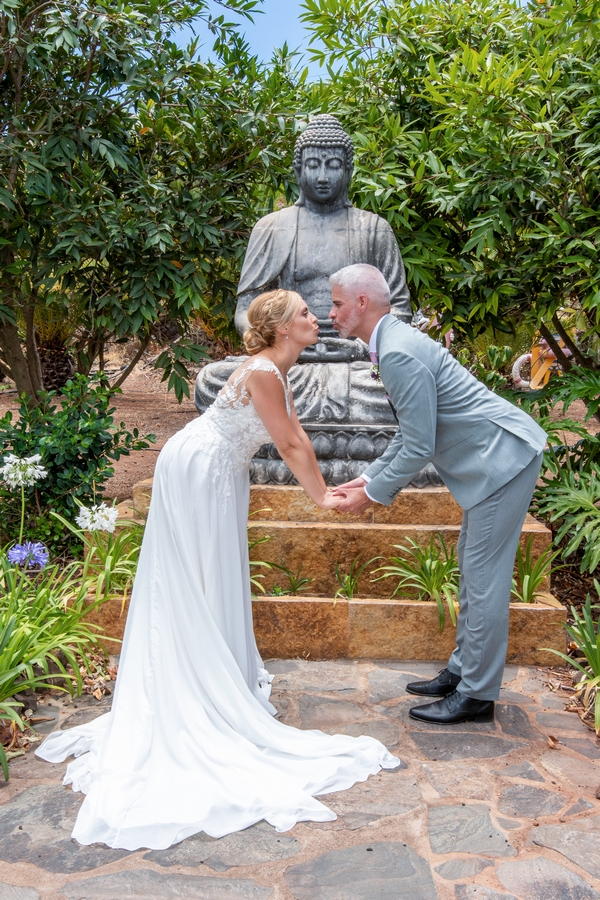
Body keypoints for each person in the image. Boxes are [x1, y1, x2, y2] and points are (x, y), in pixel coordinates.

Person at [36, 289, 399, 851]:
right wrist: (323, 497)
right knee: (195, 575)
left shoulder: (274, 369)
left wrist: (323, 488)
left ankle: (212, 674)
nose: (315, 318)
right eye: (305, 312)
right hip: (201, 467)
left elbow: (293, 435)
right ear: (281, 328)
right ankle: (195, 685)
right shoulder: (263, 372)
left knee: (205, 573)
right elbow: (292, 441)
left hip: (218, 468)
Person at [330, 264, 547, 726]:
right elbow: (410, 433)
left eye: (336, 303)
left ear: (362, 303)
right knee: (474, 572)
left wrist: (372, 496)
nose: (331, 313)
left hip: (501, 460)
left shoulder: (398, 353)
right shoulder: (392, 342)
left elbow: (419, 446)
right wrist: (367, 478)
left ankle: (476, 695)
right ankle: (463, 671)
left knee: (483, 580)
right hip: (494, 459)